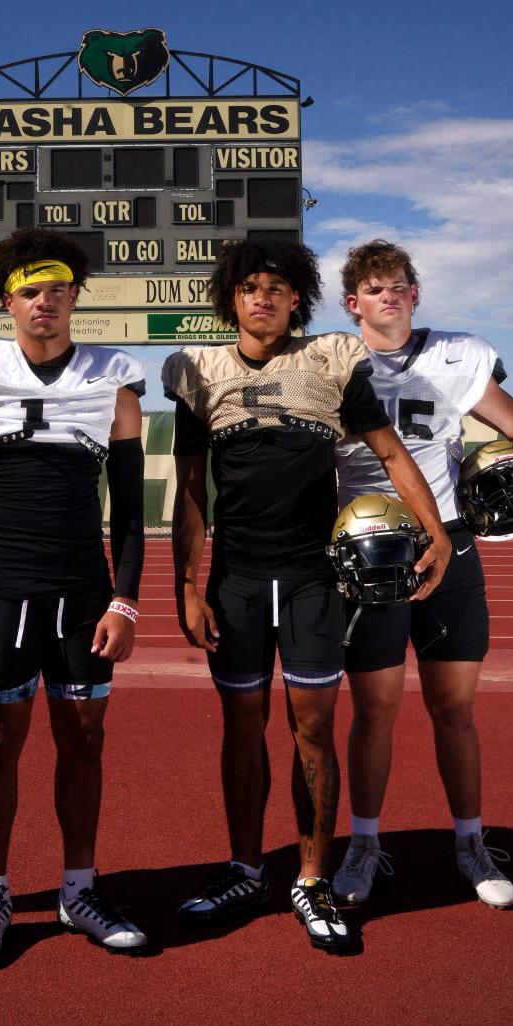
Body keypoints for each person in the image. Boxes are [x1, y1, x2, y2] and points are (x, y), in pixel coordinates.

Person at [163, 238, 452, 951]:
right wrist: (186, 585)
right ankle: (243, 867)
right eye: (249, 287)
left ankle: (313, 876)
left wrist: (435, 532)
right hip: (234, 579)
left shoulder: (329, 361)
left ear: (299, 299)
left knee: (313, 729)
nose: (262, 298)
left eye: (277, 288)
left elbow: (389, 451)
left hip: (310, 577)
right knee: (240, 728)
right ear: (230, 298)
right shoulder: (198, 371)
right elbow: (191, 490)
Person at [332, 239, 513, 910]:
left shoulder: (456, 355)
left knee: (454, 709)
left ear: (415, 294)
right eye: (374, 288)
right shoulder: (331, 362)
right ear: (352, 302)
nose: (389, 295)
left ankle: (470, 843)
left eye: (399, 285)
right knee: (374, 711)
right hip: (371, 549)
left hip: (451, 543)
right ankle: (362, 844)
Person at [0, 228, 148, 965]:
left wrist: (124, 601)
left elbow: (129, 504)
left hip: (82, 589)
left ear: (75, 295)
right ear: (6, 302)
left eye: (55, 287)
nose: (42, 301)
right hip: (6, 587)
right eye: (28, 289)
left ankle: (78, 889)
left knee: (84, 741)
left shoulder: (113, 373)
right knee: (0, 746)